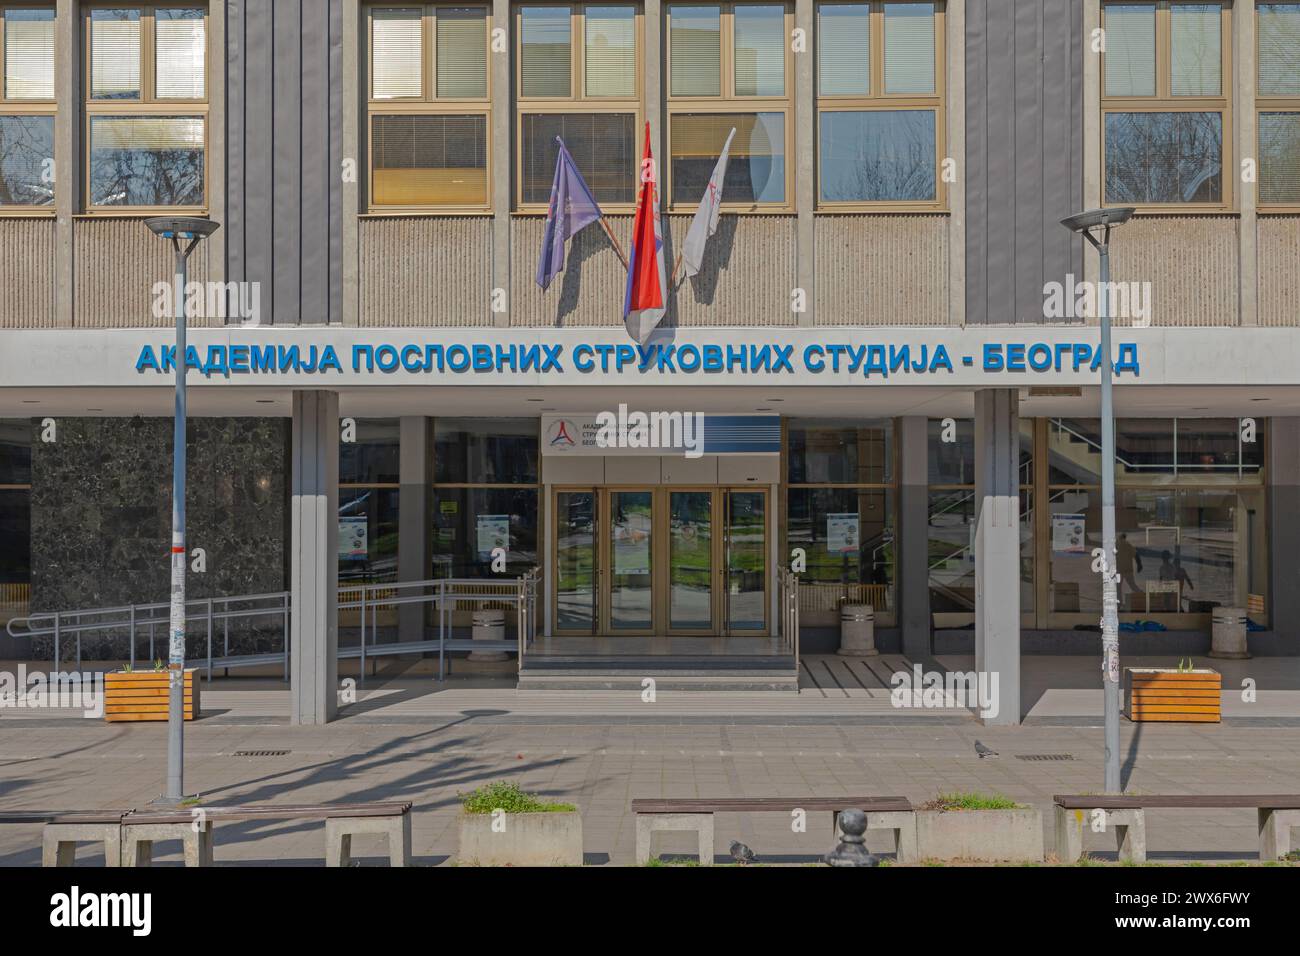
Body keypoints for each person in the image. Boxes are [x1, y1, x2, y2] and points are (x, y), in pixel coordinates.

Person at [1115, 533, 1142, 607]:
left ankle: (1119, 603)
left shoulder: (1116, 544)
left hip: (1119, 570)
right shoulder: (1128, 545)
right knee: (1132, 585)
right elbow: (1136, 555)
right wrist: (1139, 565)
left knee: (1118, 587)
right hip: (1128, 569)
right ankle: (1141, 594)